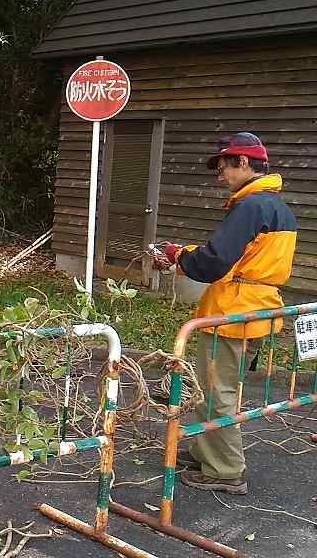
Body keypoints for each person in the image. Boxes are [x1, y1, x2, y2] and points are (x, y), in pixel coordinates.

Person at [151, 132, 297, 494]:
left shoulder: (250, 206)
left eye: (223, 166)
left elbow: (215, 261)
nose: (219, 174)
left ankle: (225, 469)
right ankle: (205, 448)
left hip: (234, 312)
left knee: (218, 393)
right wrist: (185, 255)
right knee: (212, 386)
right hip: (256, 309)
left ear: (243, 163)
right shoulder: (276, 207)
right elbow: (236, 259)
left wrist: (176, 257)